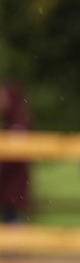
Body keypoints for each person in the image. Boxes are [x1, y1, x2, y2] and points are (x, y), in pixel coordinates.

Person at [0, 81, 32, 223]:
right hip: (9, 182)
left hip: (14, 182)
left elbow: (16, 150)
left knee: (13, 218)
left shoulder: (18, 120)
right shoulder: (11, 119)